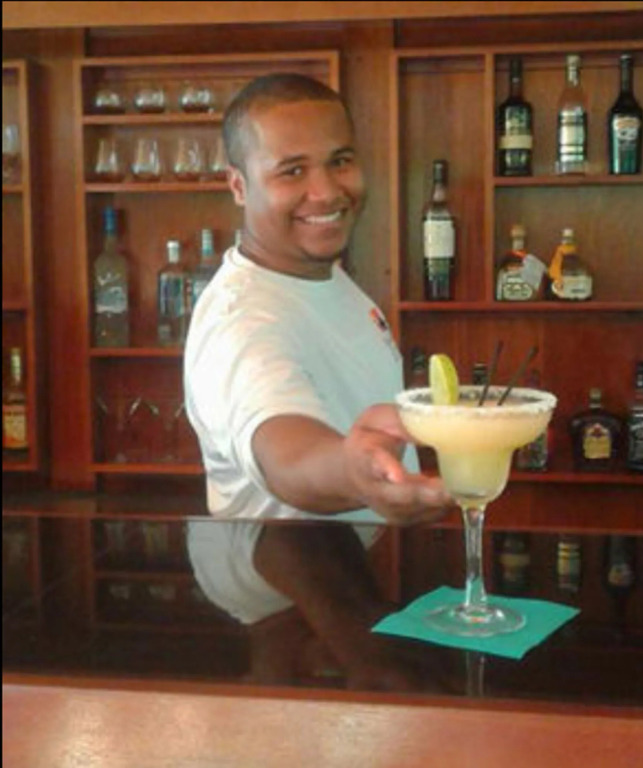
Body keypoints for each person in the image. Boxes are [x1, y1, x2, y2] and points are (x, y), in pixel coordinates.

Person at [183, 73, 452, 689]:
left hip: (337, 559)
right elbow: (283, 446)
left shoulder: (316, 275)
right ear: (238, 185)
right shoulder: (244, 320)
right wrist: (354, 470)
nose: (326, 190)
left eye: (340, 161)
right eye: (292, 170)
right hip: (285, 574)